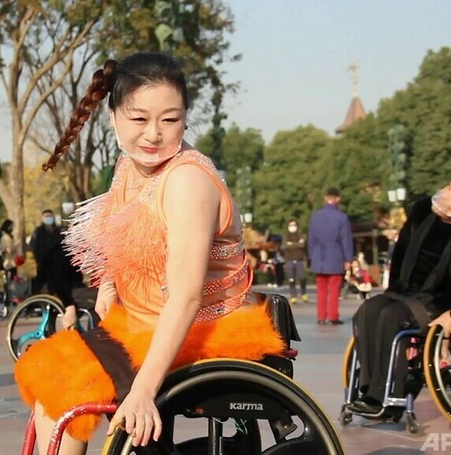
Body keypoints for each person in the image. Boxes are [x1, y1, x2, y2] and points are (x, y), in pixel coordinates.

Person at [14, 53, 287, 454]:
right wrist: (109, 284)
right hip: (143, 321)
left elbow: (186, 297)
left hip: (203, 327)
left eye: (170, 120)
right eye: (139, 119)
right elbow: (124, 231)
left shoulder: (187, 181)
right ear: (113, 117)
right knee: (48, 375)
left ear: (185, 119)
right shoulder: (129, 166)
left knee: (66, 391)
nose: (154, 134)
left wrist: (143, 390)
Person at [348, 172, 451, 415]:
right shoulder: (422, 210)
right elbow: (401, 250)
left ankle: (388, 398)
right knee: (368, 310)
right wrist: (393, 287)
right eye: (448, 186)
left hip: (437, 303)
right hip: (404, 292)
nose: (444, 193)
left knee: (391, 315)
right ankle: (370, 388)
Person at [307, 187, 353, 325]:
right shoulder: (342, 217)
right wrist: (348, 259)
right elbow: (346, 240)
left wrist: (312, 256)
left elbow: (311, 239)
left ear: (325, 198)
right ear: (338, 199)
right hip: (335, 255)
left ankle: (321, 317)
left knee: (321, 289)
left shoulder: (315, 216)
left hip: (318, 256)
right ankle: (333, 316)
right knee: (334, 288)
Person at [29, 210, 76, 307]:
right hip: (43, 262)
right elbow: (34, 246)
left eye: (50, 216)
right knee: (42, 284)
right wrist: (38, 259)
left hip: (57, 263)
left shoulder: (58, 230)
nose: (48, 218)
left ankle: (57, 302)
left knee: (57, 284)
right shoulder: (38, 231)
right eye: (46, 216)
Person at [283, 219, 308, 303]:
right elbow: (285, 246)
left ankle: (303, 293)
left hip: (299, 260)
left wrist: (291, 244)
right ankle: (293, 296)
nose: (292, 227)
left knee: (302, 278)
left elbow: (302, 245)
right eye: (290, 225)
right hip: (289, 260)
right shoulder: (286, 236)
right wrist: (297, 244)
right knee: (291, 279)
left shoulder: (301, 235)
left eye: (294, 225)